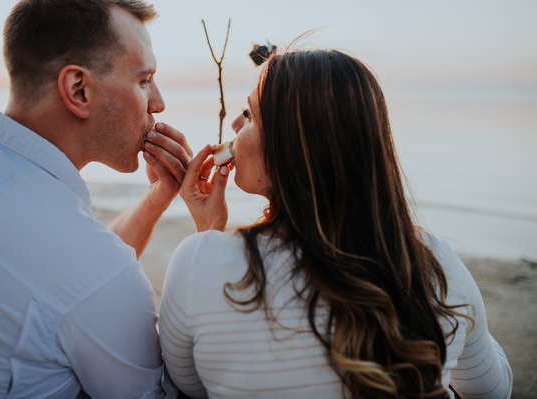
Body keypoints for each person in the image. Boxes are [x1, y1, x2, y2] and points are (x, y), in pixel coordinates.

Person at [159, 49, 513, 398]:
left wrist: (207, 237)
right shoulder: (435, 263)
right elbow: (492, 390)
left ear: (291, 147)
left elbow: (189, 386)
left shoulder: (197, 263)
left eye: (249, 115)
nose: (235, 126)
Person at [0, 0, 197, 397]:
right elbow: (85, 278)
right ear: (79, 90)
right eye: (144, 80)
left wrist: (154, 200)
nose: (158, 103)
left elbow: (68, 279)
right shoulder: (95, 271)